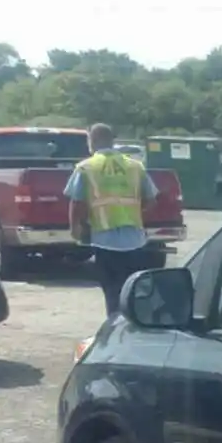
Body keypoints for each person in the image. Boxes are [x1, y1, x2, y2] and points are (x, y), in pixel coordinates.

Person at [66, 122, 164, 315]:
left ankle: (115, 328)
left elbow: (77, 203)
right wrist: (134, 214)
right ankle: (135, 325)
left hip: (105, 241)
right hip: (135, 240)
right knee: (134, 290)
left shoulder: (86, 168)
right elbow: (151, 200)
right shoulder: (135, 166)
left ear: (92, 141)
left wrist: (75, 228)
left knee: (112, 292)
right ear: (113, 141)